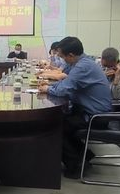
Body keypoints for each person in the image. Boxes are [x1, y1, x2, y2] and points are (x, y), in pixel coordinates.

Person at [38, 36, 112, 178]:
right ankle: (84, 156)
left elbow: (64, 90)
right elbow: (64, 83)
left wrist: (48, 89)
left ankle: (76, 165)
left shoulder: (82, 67)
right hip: (89, 111)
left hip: (95, 116)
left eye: (62, 56)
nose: (62, 59)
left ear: (71, 55)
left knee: (54, 127)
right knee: (59, 122)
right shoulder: (81, 63)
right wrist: (50, 87)